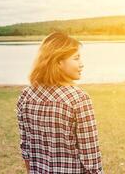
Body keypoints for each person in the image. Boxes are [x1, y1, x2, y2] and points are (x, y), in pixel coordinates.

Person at [16, 31, 104, 173]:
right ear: (58, 62)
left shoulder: (26, 96)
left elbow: (26, 149)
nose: (82, 64)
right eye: (76, 58)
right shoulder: (79, 99)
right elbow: (90, 158)